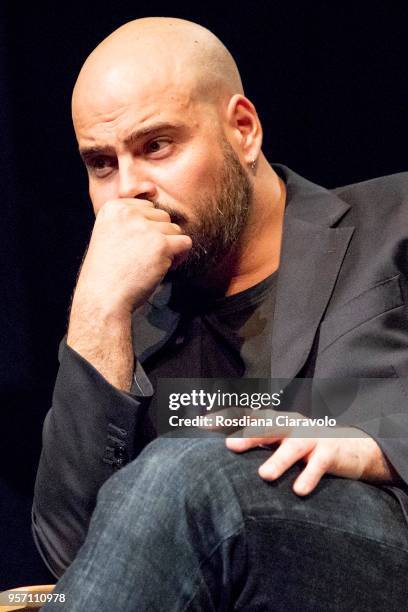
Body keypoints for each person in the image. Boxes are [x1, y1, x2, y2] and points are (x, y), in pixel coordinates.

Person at [33, 16, 408, 611]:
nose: (129, 188)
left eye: (157, 146)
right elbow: (78, 559)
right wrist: (98, 314)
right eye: (102, 164)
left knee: (189, 473)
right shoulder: (123, 320)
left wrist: (382, 444)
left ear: (242, 129)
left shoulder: (393, 222)